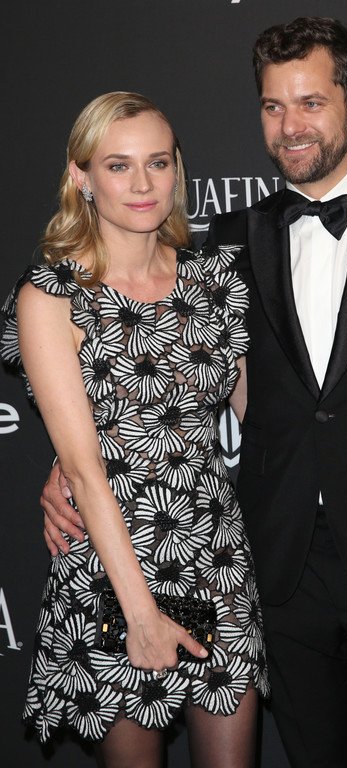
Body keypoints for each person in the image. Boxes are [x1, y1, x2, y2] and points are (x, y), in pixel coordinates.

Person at [41, 17, 347, 768]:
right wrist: (67, 461)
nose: (290, 126)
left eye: (310, 103)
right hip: (277, 574)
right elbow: (152, 372)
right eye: (272, 106)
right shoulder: (227, 242)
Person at [0, 91, 268, 768]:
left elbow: (265, 418)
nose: (143, 183)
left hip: (214, 556)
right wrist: (142, 614)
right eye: (118, 166)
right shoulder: (51, 296)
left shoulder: (216, 282)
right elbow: (84, 467)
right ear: (81, 176)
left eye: (158, 162)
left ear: (177, 169)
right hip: (112, 568)